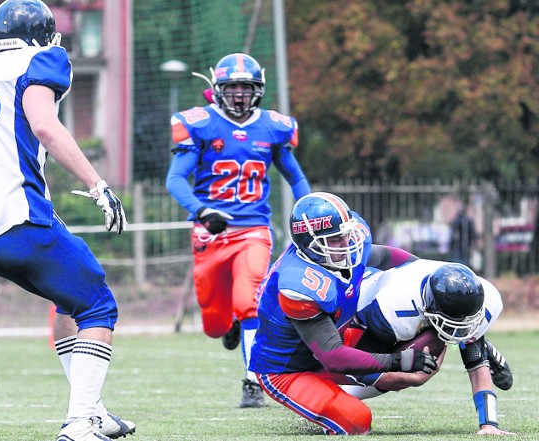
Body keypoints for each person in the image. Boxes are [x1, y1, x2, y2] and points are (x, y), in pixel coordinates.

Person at [0, 1, 134, 440]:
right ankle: (79, 421)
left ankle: (94, 411)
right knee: (98, 304)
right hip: (23, 218)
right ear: (43, 34)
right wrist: (98, 184)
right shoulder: (40, 59)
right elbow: (45, 127)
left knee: (69, 301)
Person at [165, 52, 312, 408]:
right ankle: (229, 323)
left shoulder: (273, 127)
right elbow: (174, 178)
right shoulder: (200, 123)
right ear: (218, 89)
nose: (240, 94)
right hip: (210, 232)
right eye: (233, 87)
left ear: (258, 90)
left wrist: (307, 215)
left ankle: (252, 381)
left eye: (247, 88)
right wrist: (202, 211)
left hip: (253, 229)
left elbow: (295, 176)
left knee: (250, 303)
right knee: (214, 324)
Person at [249, 192, 437, 435]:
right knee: (358, 420)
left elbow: (387, 257)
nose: (347, 243)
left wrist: (429, 272)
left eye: (347, 235)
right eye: (336, 239)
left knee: (399, 328)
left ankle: (338, 393)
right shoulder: (299, 284)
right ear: (310, 244)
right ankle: (330, 399)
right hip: (289, 369)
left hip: (332, 341)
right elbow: (333, 357)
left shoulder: (346, 247)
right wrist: (398, 361)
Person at [342, 260, 516, 435]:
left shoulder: (485, 299)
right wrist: (412, 378)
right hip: (356, 316)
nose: (458, 330)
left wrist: (489, 425)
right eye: (452, 326)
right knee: (344, 394)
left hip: (414, 308)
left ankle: (476, 342)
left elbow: (476, 363)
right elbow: (361, 370)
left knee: (461, 340)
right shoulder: (393, 306)